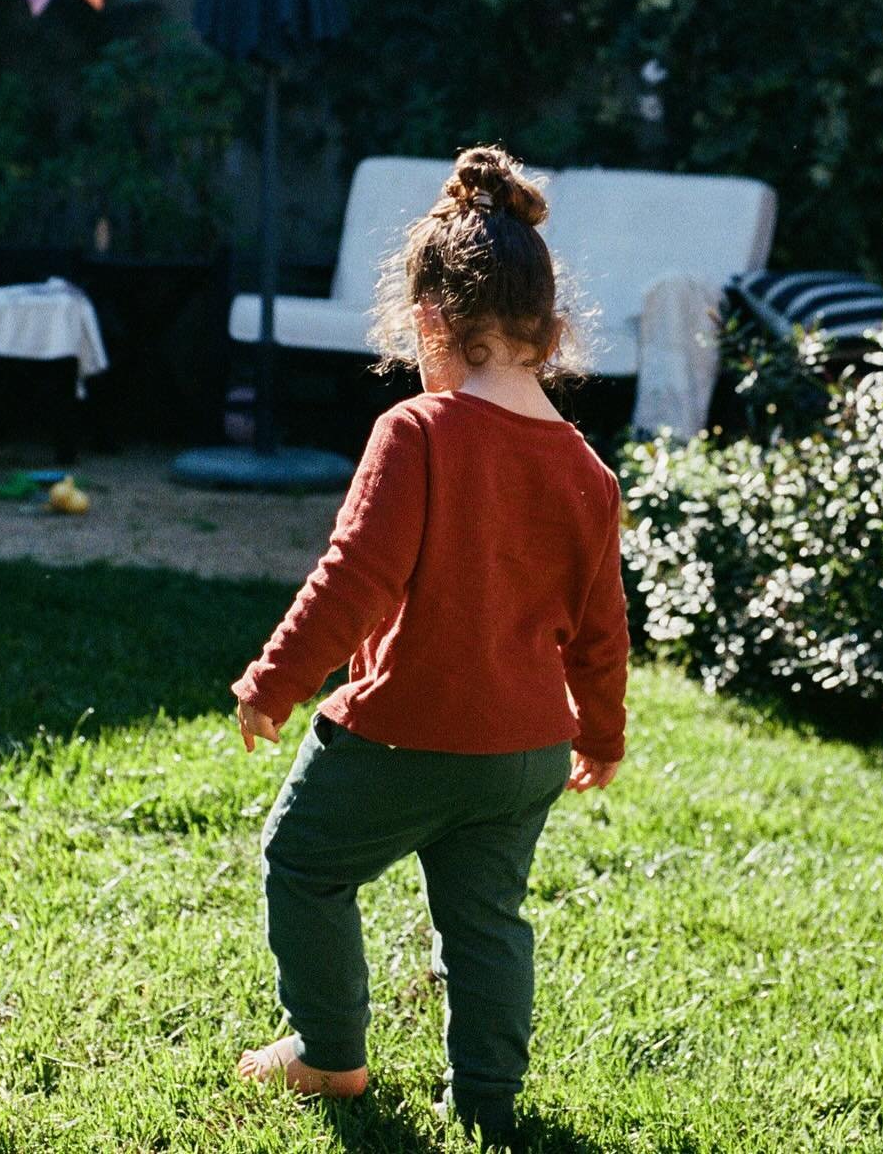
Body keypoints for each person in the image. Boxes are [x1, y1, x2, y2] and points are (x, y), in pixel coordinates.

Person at [230, 144, 630, 1149]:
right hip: (527, 752)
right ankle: (490, 1105)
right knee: (486, 921)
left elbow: (354, 581)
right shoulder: (588, 472)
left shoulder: (417, 431)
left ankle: (329, 1054)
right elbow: (601, 631)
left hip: (406, 734)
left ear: (428, 322)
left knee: (304, 864)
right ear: (553, 330)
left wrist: (273, 683)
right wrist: (603, 739)